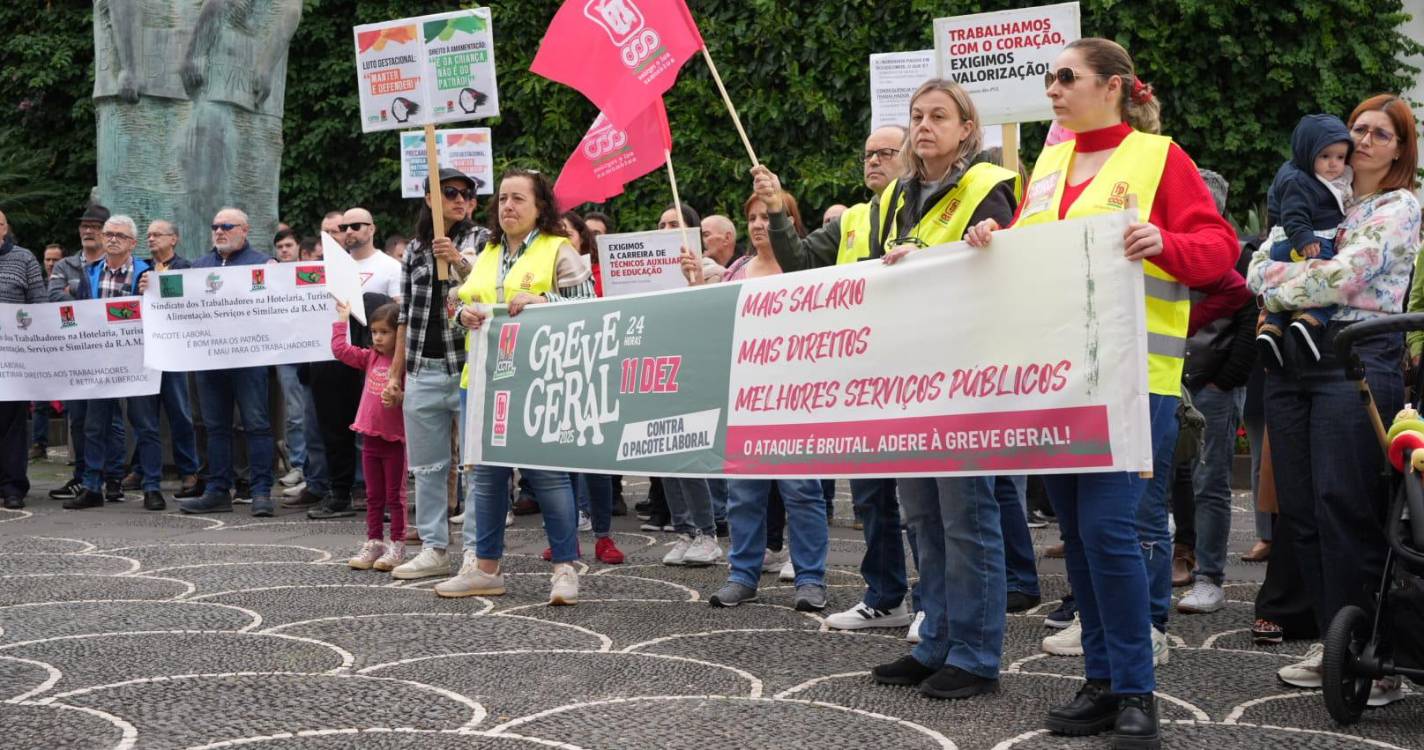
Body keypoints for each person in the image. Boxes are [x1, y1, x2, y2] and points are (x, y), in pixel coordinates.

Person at [965, 39, 1238, 745]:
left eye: (1065, 77)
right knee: (1081, 540)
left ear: (1113, 87)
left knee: (1112, 532)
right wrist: (996, 235)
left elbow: (1219, 252)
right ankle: (1101, 680)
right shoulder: (1050, 163)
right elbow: (1031, 253)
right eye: (1049, 78)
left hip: (1133, 379)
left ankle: (1136, 688)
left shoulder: (1159, 157)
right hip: (1060, 381)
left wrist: (1165, 243)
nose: (1051, 88)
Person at [1249, 94, 1420, 706]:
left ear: (1400, 147)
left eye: (1381, 133)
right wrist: (1279, 276)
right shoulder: (1314, 186)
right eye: (1358, 129)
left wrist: (1279, 280)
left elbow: (1345, 275)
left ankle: (1378, 658)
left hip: (1354, 360)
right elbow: (1254, 265)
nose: (1365, 140)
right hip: (1292, 363)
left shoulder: (1399, 206)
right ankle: (1334, 641)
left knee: (1344, 507)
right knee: (1301, 511)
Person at [864, 80, 1020, 701]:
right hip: (910, 376)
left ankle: (977, 654)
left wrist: (983, 245)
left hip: (965, 374)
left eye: (938, 117)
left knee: (967, 520)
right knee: (923, 518)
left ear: (965, 129)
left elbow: (1006, 265)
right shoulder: (893, 198)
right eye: (917, 116)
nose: (924, 126)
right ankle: (935, 642)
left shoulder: (990, 187)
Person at [757, 124, 926, 637]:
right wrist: (778, 211)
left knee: (922, 500)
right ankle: (885, 596)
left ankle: (932, 601)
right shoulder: (853, 217)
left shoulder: (927, 207)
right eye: (868, 153)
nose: (873, 161)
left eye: (885, 153)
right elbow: (801, 261)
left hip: (915, 371)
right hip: (863, 376)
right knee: (872, 496)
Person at [436, 168, 594, 604]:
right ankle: (485, 568)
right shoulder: (485, 251)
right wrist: (460, 315)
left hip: (540, 379)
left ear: (540, 206)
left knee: (548, 475)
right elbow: (459, 299)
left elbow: (592, 304)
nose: (508, 206)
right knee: (485, 476)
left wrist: (546, 302)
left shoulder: (558, 249)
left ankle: (565, 568)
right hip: (484, 380)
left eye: (519, 198)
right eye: (503, 198)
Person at [681, 195, 829, 613]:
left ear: (789, 220)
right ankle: (742, 575)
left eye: (767, 216)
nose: (759, 224)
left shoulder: (806, 267)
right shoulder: (734, 272)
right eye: (752, 218)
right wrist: (695, 287)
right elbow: (714, 323)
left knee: (802, 491)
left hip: (797, 397)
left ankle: (811, 577)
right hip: (747, 395)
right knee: (744, 492)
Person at [387, 167, 490, 580]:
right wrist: (397, 373)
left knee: (476, 466)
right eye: (450, 192)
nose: (460, 199)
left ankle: (475, 551)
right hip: (423, 370)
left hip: (468, 370)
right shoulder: (413, 249)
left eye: (467, 194)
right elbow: (405, 316)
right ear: (430, 198)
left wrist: (459, 261)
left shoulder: (482, 239)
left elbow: (486, 288)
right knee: (427, 468)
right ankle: (433, 547)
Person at [1175, 171, 1256, 614]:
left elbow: (1247, 316)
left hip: (1211, 383)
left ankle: (1209, 576)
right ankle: (1178, 559)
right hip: (1172, 377)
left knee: (1210, 481)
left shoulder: (1234, 255)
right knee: (1168, 480)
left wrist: (1224, 380)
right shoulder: (1172, 244)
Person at [175, 207, 279, 516]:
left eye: (227, 226)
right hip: (211, 360)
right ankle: (218, 490)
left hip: (249, 359)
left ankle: (261, 491)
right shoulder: (198, 266)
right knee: (215, 427)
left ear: (244, 230)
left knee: (257, 425)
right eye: (215, 226)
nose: (220, 231)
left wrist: (281, 276)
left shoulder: (263, 263)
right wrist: (152, 290)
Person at [306, 207, 402, 520]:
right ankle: (339, 492)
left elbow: (399, 314)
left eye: (356, 226)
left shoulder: (390, 267)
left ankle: (387, 498)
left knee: (380, 429)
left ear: (372, 228)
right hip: (336, 355)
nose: (349, 231)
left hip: (375, 357)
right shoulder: (325, 268)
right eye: (344, 227)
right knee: (334, 427)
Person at [63, 215, 160, 510]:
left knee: (145, 425)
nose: (112, 238)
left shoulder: (148, 273)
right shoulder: (89, 273)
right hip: (100, 359)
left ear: (132, 243)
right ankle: (92, 486)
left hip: (138, 360)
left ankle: (152, 487)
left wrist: (153, 290)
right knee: (95, 425)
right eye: (108, 234)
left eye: (119, 235)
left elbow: (164, 309)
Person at [1255, 114, 1356, 367]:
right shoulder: (1298, 179)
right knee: (1328, 281)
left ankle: (1271, 330)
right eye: (1325, 156)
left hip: (1288, 243)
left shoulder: (1307, 174)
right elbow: (1294, 212)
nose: (1334, 164)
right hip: (1306, 242)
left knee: (1289, 284)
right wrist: (1304, 239)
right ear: (1306, 152)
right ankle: (1310, 322)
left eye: (1340, 157)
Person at [48, 203, 127, 504]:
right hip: (75, 354)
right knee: (78, 418)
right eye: (84, 226)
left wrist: (75, 294)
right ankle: (83, 477)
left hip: (110, 353)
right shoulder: (64, 265)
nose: (88, 231)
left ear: (107, 233)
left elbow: (109, 302)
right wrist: (77, 295)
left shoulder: (115, 265)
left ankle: (114, 477)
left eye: (95, 226)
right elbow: (52, 296)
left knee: (112, 420)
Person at [330, 299, 407, 571]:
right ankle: (374, 541)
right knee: (373, 496)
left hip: (395, 441)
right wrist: (341, 320)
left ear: (399, 333)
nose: (377, 337)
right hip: (370, 438)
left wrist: (401, 397)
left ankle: (397, 543)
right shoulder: (371, 357)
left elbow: (411, 398)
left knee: (395, 497)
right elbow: (340, 350)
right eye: (374, 332)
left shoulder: (404, 364)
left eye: (384, 332)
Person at [141, 219, 203, 500]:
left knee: (179, 414)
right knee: (143, 417)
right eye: (149, 234)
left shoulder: (185, 268)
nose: (151, 238)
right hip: (145, 352)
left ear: (174, 239)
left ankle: (189, 469)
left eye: (158, 234)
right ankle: (144, 471)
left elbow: (189, 301)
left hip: (175, 353)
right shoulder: (141, 269)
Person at [0, 208, 45, 509]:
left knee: (12, 423)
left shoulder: (24, 258)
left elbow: (40, 304)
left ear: (5, 228)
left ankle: (13, 486)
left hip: (13, 356)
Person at [30, 243, 66, 462]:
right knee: (39, 400)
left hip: (66, 347)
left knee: (72, 400)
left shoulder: (68, 285)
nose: (51, 263)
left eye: (55, 259)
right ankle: (39, 443)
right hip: (42, 348)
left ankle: (74, 447)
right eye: (47, 259)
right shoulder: (38, 287)